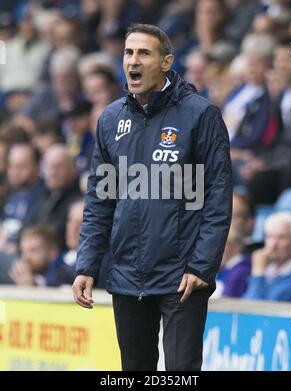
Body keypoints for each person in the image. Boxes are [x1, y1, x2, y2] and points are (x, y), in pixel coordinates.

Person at [73, 24, 232, 371]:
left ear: (166, 62)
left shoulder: (200, 115)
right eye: (129, 53)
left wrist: (202, 265)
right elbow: (100, 199)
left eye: (144, 53)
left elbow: (218, 196)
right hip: (127, 275)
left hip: (182, 277)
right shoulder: (111, 119)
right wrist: (87, 263)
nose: (134, 60)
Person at [243, 212, 291, 302]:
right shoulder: (265, 268)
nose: (273, 245)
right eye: (269, 237)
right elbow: (244, 306)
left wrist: (258, 273)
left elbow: (258, 307)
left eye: (281, 238)